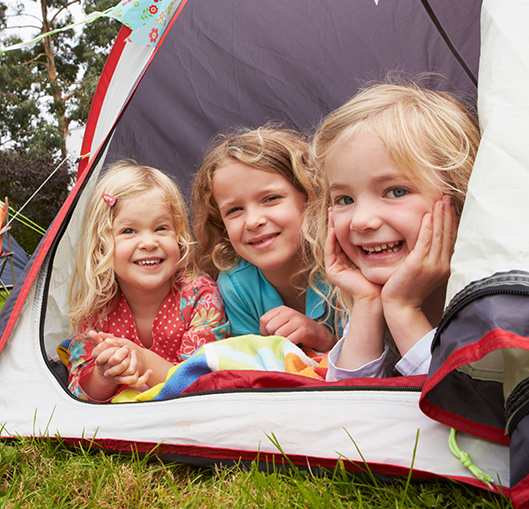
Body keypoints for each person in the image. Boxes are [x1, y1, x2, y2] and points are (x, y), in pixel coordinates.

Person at [307, 82, 480, 379]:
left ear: (461, 196)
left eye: (396, 191)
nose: (362, 221)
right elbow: (347, 413)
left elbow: (467, 409)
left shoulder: (493, 307)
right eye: (345, 199)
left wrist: (404, 309)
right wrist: (366, 303)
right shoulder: (369, 297)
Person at [67, 161, 230, 402]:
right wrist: (105, 375)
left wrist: (142, 360)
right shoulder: (96, 307)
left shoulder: (200, 296)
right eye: (128, 231)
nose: (149, 243)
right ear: (102, 246)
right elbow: (77, 394)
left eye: (161, 228)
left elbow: (203, 382)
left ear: (179, 236)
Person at [192, 127, 338, 353]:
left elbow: (374, 362)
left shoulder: (342, 263)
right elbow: (253, 368)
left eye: (270, 199)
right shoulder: (235, 285)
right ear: (220, 222)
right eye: (234, 210)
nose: (252, 221)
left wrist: (322, 338)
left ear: (310, 196)